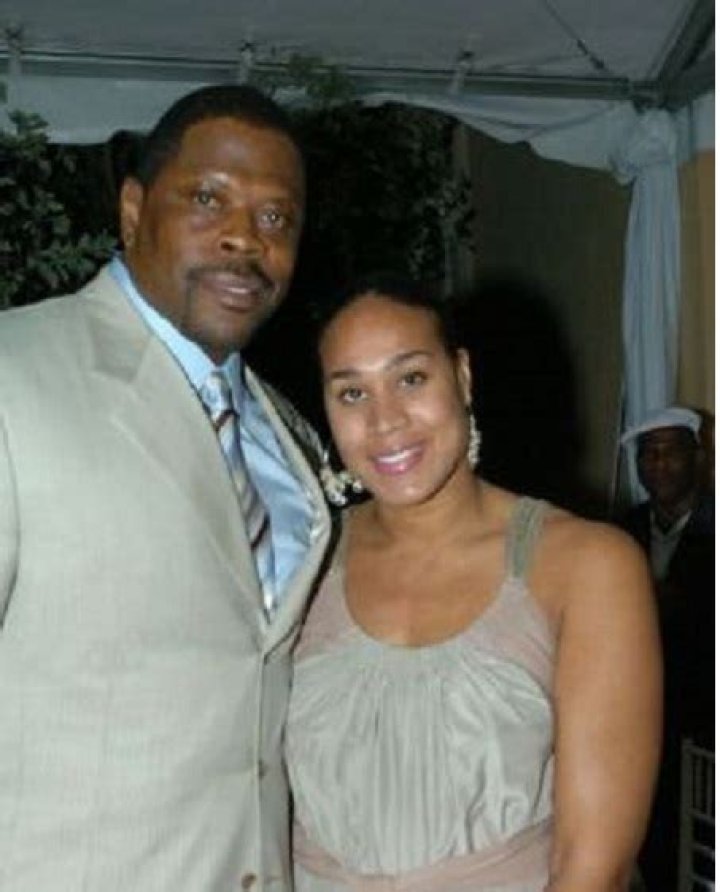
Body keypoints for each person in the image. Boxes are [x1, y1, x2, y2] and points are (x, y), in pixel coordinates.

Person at [0, 85, 332, 892]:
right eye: (209, 199)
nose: (245, 239)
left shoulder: (288, 433)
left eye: (276, 217)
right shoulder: (16, 375)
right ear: (132, 209)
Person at [285, 272, 662, 892]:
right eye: (352, 393)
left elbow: (593, 868)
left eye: (411, 378)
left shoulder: (585, 565)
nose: (385, 420)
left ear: (461, 376)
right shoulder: (301, 557)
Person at [620, 407, 714, 892]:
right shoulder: (623, 530)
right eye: (647, 453)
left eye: (670, 451)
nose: (658, 463)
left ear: (698, 458)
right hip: (638, 715)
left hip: (701, 718)